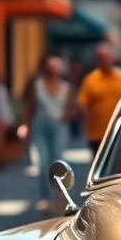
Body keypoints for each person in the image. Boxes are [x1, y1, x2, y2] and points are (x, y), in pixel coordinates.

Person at [17, 54, 74, 209]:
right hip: (39, 125)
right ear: (45, 69)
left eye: (56, 68)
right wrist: (24, 125)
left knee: (57, 161)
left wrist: (67, 115)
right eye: (51, 68)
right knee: (42, 162)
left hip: (59, 127)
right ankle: (45, 197)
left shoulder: (67, 87)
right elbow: (29, 107)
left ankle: (60, 195)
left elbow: (73, 109)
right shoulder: (37, 85)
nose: (53, 71)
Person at [77, 42, 121, 155]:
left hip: (120, 132)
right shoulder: (90, 80)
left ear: (112, 58)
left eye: (105, 57)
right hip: (96, 134)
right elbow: (82, 103)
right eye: (99, 57)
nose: (103, 60)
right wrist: (87, 117)